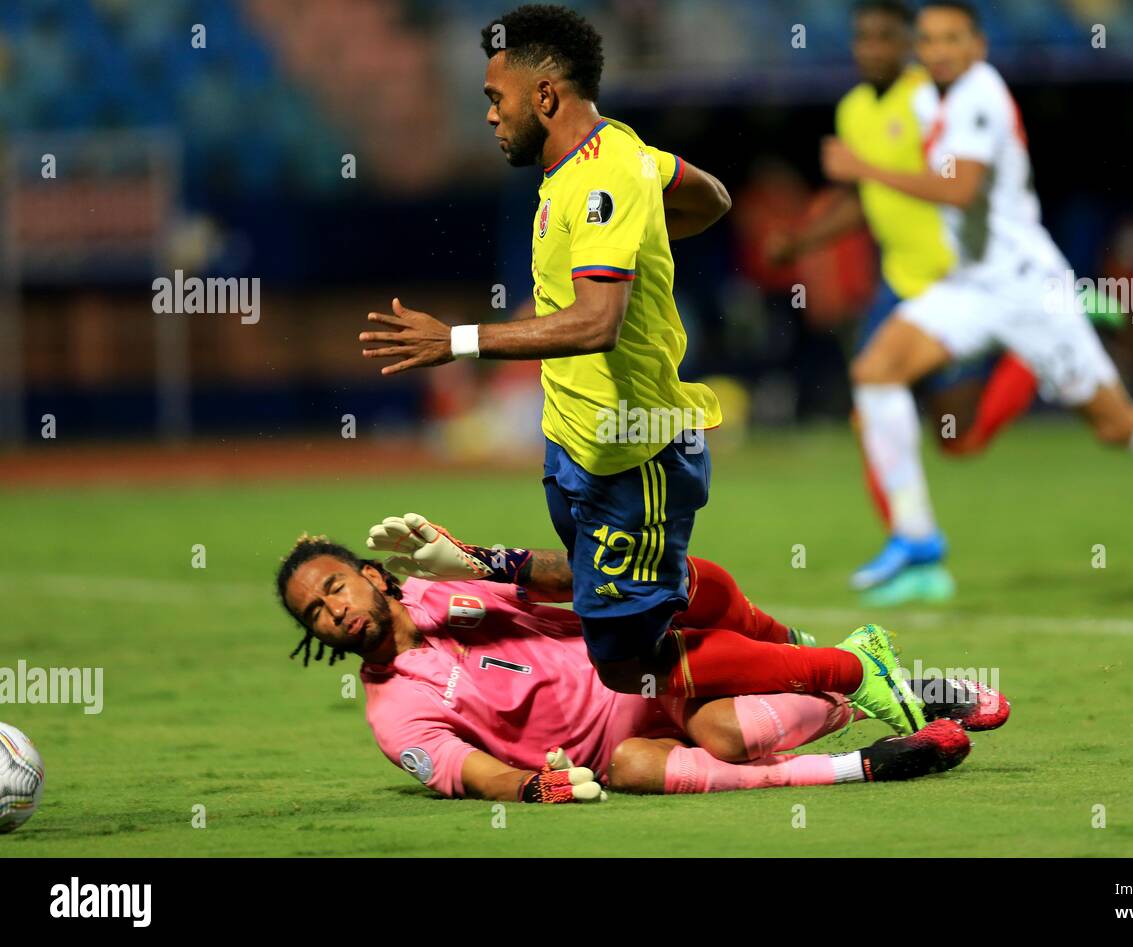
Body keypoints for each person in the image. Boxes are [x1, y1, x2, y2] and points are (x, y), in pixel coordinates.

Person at [357, 4, 940, 735]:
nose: (488, 115)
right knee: (614, 583)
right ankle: (792, 645)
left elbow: (598, 322)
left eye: (493, 98)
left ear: (545, 96)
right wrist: (642, 233)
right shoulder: (602, 161)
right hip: (576, 444)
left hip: (636, 452)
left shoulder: (606, 177)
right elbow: (713, 197)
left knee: (629, 662)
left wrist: (459, 341)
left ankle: (851, 670)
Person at [820, 0, 1133, 583]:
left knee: (1116, 424)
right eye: (930, 40)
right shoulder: (924, 100)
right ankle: (916, 534)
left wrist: (864, 168)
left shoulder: (981, 95)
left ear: (978, 47)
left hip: (1027, 289)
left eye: (952, 39)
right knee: (875, 370)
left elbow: (960, 189)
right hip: (970, 286)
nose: (939, 50)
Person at [275, 524, 1003, 802]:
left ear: (372, 574)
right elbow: (467, 773)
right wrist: (533, 787)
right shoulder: (391, 712)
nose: (331, 610)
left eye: (333, 586)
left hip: (645, 657)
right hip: (618, 746)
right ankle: (870, 743)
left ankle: (855, 674)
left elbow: (578, 577)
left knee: (662, 579)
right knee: (693, 748)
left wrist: (477, 558)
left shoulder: (446, 586)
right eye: (313, 611)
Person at [767, 0, 1038, 600]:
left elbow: (957, 186)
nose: (871, 50)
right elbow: (862, 197)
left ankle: (1030, 353)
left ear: (910, 44)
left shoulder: (933, 103)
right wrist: (803, 239)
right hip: (899, 284)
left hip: (955, 281)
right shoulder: (855, 108)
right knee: (870, 408)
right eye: (863, 39)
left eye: (886, 39)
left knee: (958, 440)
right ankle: (915, 554)